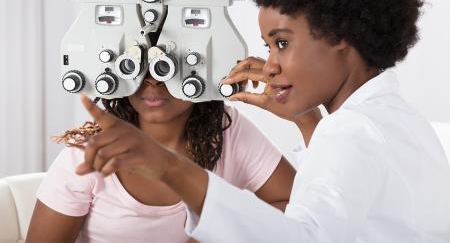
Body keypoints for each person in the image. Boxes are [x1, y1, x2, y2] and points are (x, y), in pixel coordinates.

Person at [48, 0, 450, 242]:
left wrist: (169, 167)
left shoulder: (351, 131)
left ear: (339, 35)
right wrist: (307, 120)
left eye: (282, 43)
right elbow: (334, 214)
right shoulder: (399, 121)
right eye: (268, 46)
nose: (270, 65)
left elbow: (302, 237)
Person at [26, 75, 297, 243]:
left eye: (168, 66)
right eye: (140, 66)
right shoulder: (89, 151)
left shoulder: (230, 131)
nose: (153, 81)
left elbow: (298, 208)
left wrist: (221, 228)